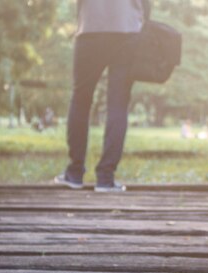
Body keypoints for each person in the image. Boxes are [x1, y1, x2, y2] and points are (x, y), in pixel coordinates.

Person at [55, 0, 150, 192]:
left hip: (90, 28)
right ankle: (105, 178)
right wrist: (143, 21)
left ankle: (74, 173)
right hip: (128, 29)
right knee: (118, 103)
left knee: (81, 99)